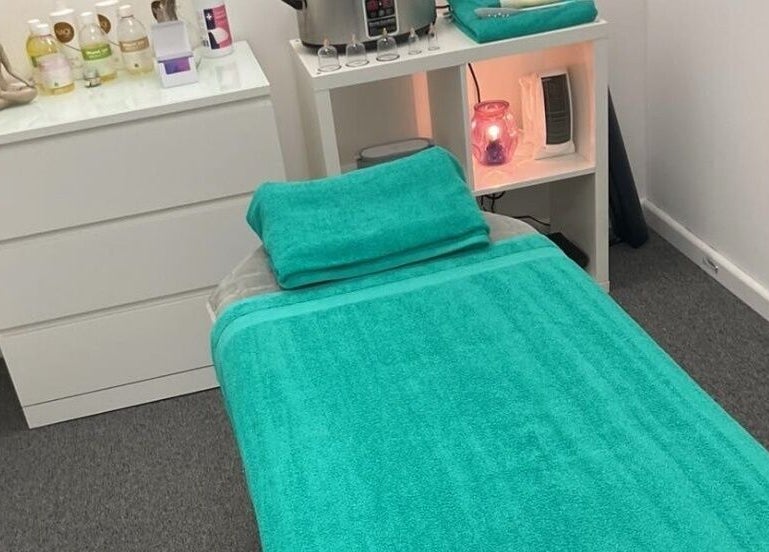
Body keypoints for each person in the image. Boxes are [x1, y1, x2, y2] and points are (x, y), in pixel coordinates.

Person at [0, 42, 37, 110]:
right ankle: (18, 99)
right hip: (6, 93)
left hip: (6, 89)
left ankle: (8, 98)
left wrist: (27, 82)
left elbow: (10, 69)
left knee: (32, 92)